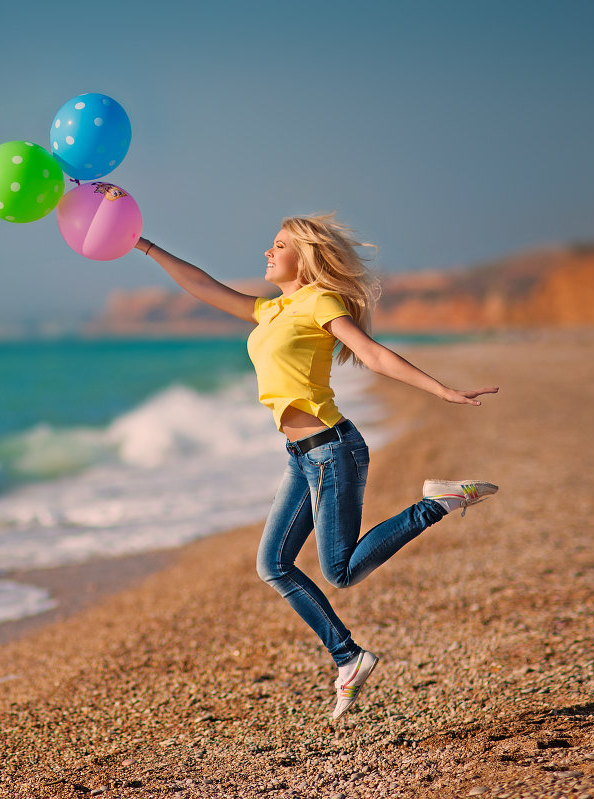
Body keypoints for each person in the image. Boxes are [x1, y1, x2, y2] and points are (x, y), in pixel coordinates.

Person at [133, 214, 499, 719]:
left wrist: (442, 390)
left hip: (333, 450)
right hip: (303, 457)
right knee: (274, 565)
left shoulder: (318, 302)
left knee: (339, 572)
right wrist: (144, 244)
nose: (266, 252)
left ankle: (438, 503)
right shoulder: (273, 310)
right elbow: (202, 285)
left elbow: (370, 354)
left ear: (303, 257)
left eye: (278, 245)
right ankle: (349, 658)